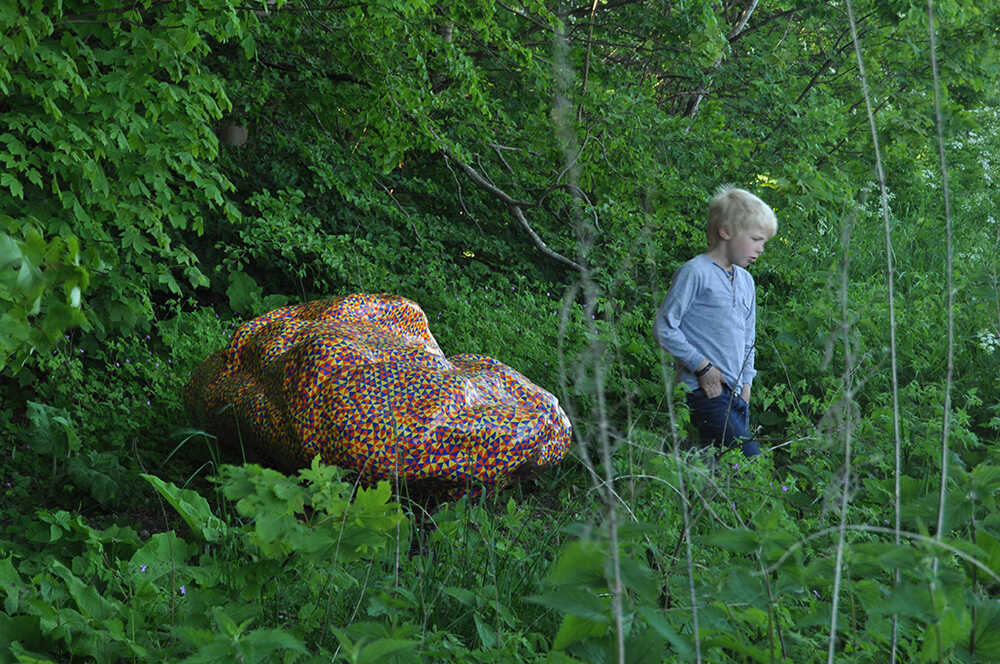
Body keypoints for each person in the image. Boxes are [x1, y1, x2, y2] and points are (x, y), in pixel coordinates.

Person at [653, 185, 778, 458]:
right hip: (703, 391)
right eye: (756, 239)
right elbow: (664, 328)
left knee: (717, 468)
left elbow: (748, 339)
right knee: (750, 461)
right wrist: (703, 367)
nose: (761, 249)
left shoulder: (746, 281)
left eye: (764, 242)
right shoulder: (695, 272)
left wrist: (746, 387)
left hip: (737, 395)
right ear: (726, 232)